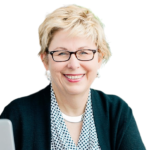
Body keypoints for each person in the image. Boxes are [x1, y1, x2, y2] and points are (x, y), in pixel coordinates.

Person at [0, 4, 146, 150]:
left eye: (84, 52)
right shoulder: (17, 115)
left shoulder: (117, 113)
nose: (74, 64)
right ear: (45, 60)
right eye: (62, 53)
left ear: (99, 58)